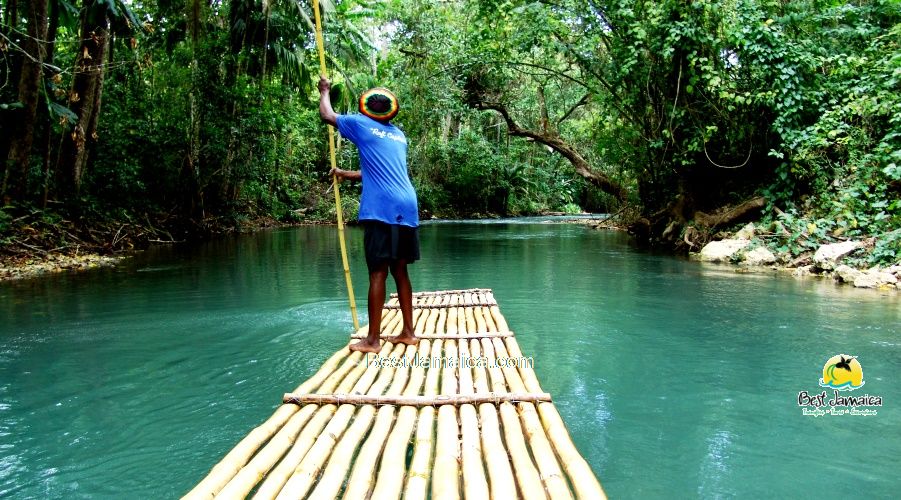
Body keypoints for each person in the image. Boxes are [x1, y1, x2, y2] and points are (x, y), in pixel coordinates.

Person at [318, 77, 420, 354]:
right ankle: (408, 333)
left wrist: (325, 91)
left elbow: (326, 114)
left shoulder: (361, 124)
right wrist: (345, 174)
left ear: (365, 109)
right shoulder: (399, 135)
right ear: (389, 111)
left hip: (382, 208)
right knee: (400, 270)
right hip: (407, 205)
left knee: (377, 272)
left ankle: (373, 340)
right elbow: (380, 170)